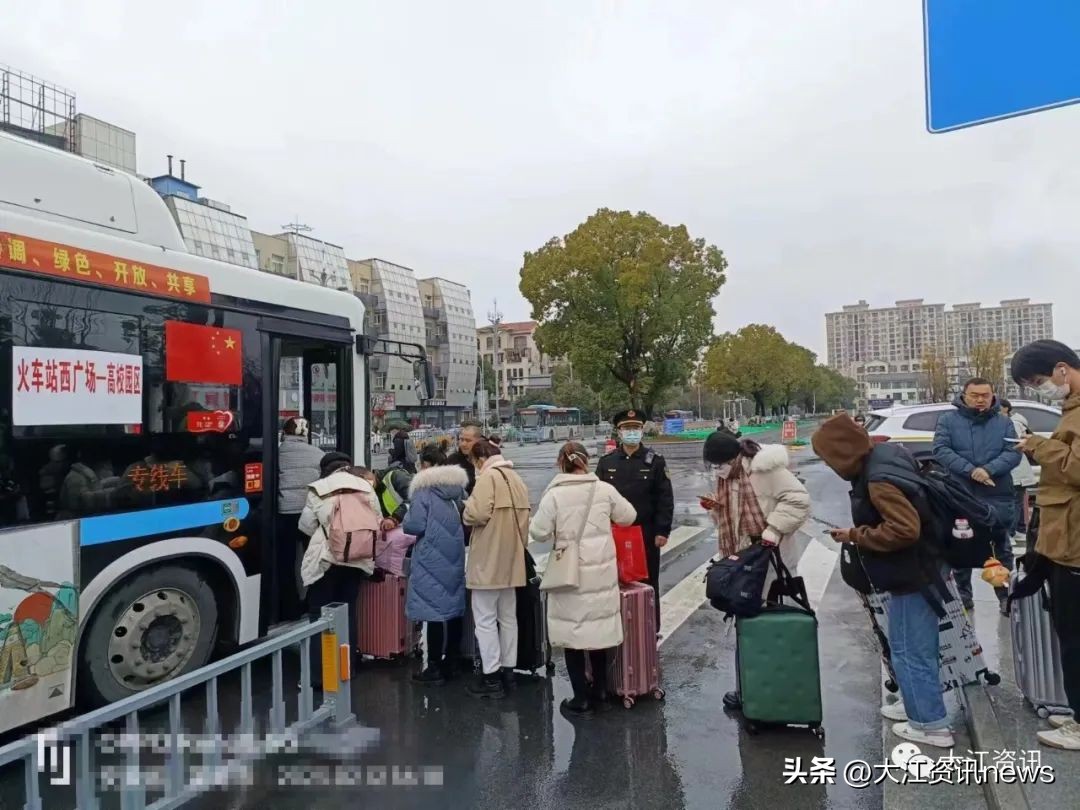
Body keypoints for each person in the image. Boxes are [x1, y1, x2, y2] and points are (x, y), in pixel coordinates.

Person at [812, 414, 955, 749]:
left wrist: (856, 535)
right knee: (912, 646)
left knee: (910, 649)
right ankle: (916, 703)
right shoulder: (885, 456)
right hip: (921, 567)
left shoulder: (878, 481)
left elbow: (905, 529)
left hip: (913, 573)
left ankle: (930, 724)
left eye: (826, 456)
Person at [699, 430, 811, 711]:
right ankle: (748, 688)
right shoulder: (729, 477)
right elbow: (732, 518)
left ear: (734, 457)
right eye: (714, 465)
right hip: (742, 561)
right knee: (745, 622)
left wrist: (773, 529)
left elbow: (799, 500)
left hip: (771, 560)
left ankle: (774, 688)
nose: (718, 470)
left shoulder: (766, 469)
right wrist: (716, 508)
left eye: (720, 463)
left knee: (768, 623)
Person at [529, 442, 637, 718]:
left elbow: (539, 532)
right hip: (600, 570)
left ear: (560, 463)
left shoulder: (554, 495)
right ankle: (600, 692)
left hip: (570, 572)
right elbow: (628, 517)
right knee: (597, 632)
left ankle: (580, 698)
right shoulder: (604, 489)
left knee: (573, 634)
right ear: (586, 461)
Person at [1010, 340, 1080, 750]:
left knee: (1075, 637)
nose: (1040, 391)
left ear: (1061, 369)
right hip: (1065, 539)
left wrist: (1037, 445)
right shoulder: (1071, 408)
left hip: (1075, 545)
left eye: (1038, 382)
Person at [932, 377, 1021, 612]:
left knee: (1000, 548)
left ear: (993, 396)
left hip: (996, 494)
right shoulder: (948, 421)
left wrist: (988, 470)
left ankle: (1005, 596)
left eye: (985, 395)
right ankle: (963, 597)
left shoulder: (1004, 423)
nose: (980, 399)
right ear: (964, 395)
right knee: (960, 546)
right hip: (960, 494)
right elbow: (941, 450)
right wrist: (971, 471)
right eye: (975, 395)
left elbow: (1013, 453)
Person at [299, 453, 381, 675]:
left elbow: (306, 526)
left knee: (319, 615)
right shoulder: (365, 487)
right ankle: (347, 670)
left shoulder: (319, 488)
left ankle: (320, 675)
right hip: (357, 560)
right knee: (347, 613)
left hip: (326, 560)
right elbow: (378, 520)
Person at [462, 438, 530, 699]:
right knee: (508, 617)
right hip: (512, 559)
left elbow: (475, 514)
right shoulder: (516, 479)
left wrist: (466, 508)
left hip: (488, 559)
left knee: (485, 620)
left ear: (479, 460)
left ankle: (491, 677)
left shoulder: (487, 478)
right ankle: (509, 673)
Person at [596, 410, 674, 634]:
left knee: (648, 579)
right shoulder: (607, 462)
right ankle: (619, 626)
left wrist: (663, 531)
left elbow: (665, 499)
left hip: (645, 532)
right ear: (619, 432)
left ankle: (650, 627)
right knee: (615, 579)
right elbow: (598, 498)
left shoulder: (655, 462)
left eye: (636, 428)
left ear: (641, 430)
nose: (632, 433)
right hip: (614, 532)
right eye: (627, 429)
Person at [403, 445, 469, 686]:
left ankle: (433, 668)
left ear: (426, 465)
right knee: (452, 607)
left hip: (431, 555)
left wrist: (404, 517)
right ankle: (451, 662)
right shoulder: (456, 490)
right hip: (453, 553)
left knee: (433, 610)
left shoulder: (423, 491)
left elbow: (414, 526)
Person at [278, 417, 326, 620]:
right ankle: (312, 603)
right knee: (312, 559)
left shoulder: (277, 454)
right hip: (310, 514)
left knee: (286, 562)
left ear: (284, 433)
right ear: (306, 434)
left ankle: (288, 607)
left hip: (284, 514)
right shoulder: (318, 454)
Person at [1000, 399, 1037, 542]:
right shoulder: (1016, 422)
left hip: (1017, 470)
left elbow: (1010, 445)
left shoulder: (1012, 424)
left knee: (1013, 501)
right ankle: (1020, 529)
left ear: (1006, 409)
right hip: (1019, 470)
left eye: (999, 408)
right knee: (1018, 501)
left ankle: (1011, 532)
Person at [448, 422, 482, 496]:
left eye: (468, 440)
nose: (463, 444)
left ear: (478, 441)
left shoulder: (486, 460)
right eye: (461, 440)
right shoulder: (452, 461)